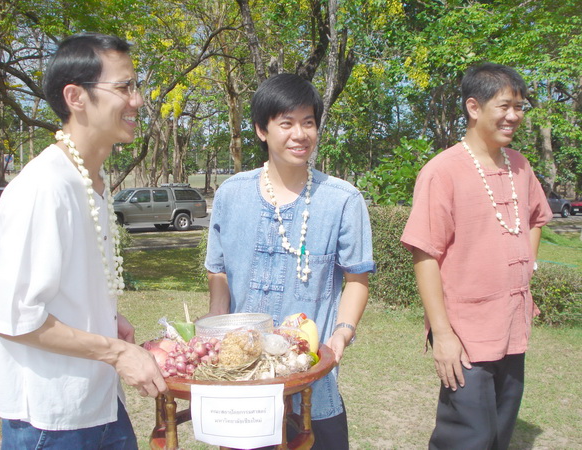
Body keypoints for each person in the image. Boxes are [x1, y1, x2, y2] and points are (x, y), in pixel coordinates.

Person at [0, 33, 168, 448]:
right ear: (76, 97)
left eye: (136, 86)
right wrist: (118, 352)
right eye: (124, 87)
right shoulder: (43, 187)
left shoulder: (91, 182)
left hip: (101, 404)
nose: (137, 100)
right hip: (51, 423)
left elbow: (64, 287)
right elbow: (15, 318)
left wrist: (104, 317)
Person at [204, 73, 375, 449]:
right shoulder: (231, 195)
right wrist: (216, 325)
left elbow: (357, 278)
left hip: (312, 379)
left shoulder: (342, 199)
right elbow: (218, 270)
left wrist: (341, 333)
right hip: (244, 381)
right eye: (287, 123)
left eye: (308, 122)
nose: (300, 134)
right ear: (261, 130)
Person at [401, 63, 552, 449]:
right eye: (505, 106)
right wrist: (443, 334)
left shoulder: (520, 166)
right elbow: (425, 253)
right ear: (473, 107)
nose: (514, 116)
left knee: (499, 433)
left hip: (512, 329)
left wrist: (527, 268)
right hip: (465, 335)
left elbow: (537, 218)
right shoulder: (442, 172)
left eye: (520, 106)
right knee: (467, 438)